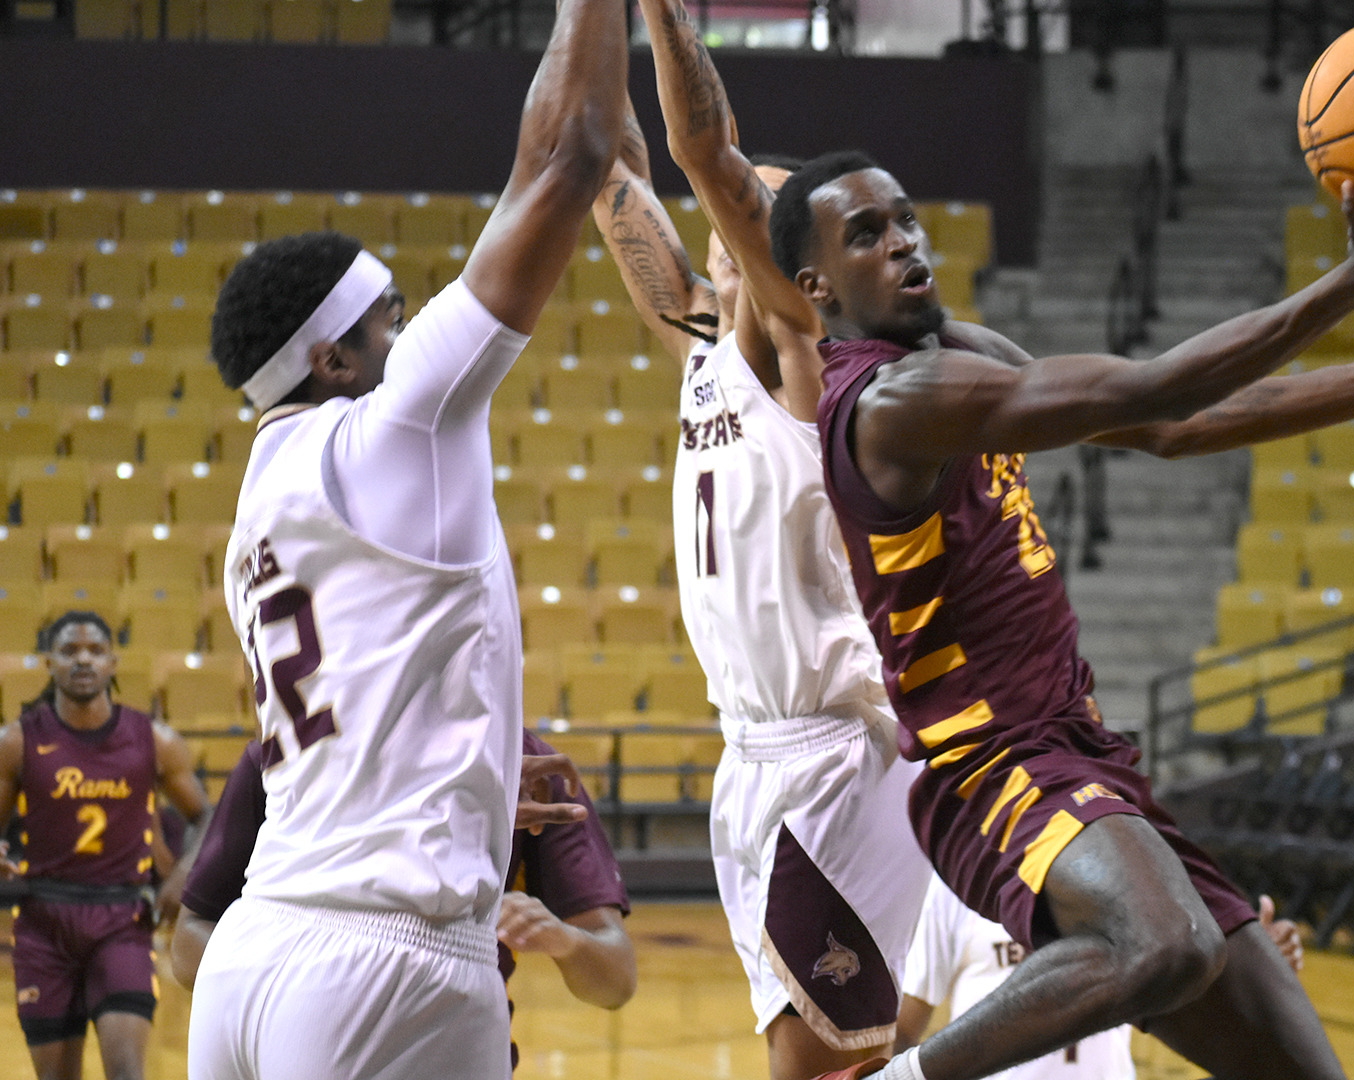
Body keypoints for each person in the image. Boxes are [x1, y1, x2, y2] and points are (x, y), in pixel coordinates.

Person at [726, 129, 1354, 1080]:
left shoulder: (962, 350)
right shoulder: (891, 399)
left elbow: (1168, 426)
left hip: (1079, 755)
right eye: (866, 234)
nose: (904, 241)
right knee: (1169, 945)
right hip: (991, 769)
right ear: (816, 286)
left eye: (906, 218)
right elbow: (1162, 381)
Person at [183, 0, 624, 1072]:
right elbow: (572, 156)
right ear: (334, 357)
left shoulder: (260, 491)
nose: (414, 324)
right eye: (392, 315)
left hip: (253, 951)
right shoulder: (398, 429)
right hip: (389, 960)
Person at [608, 8, 933, 1075]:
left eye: (750, 210)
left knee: (814, 1062)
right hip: (748, 754)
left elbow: (707, 144)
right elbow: (615, 175)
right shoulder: (704, 353)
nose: (726, 219)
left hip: (836, 750)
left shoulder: (810, 356)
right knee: (837, 1058)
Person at [168, 729, 635, 1071]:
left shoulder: (525, 763)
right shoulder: (285, 754)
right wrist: (299, 977)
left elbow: (616, 980)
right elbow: (188, 945)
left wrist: (565, 941)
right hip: (296, 1034)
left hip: (449, 1041)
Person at [0, 611, 211, 1080]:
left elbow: (206, 816)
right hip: (43, 921)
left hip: (122, 919)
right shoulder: (18, 741)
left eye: (95, 651)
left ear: (113, 663)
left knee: (127, 1073)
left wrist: (181, 874)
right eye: (69, 651)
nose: (83, 661)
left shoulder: (154, 739)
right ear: (48, 662)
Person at [895, 882, 1306, 1080]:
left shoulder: (1131, 885)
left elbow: (1186, 995)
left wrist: (1252, 967)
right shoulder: (955, 887)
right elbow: (905, 1028)